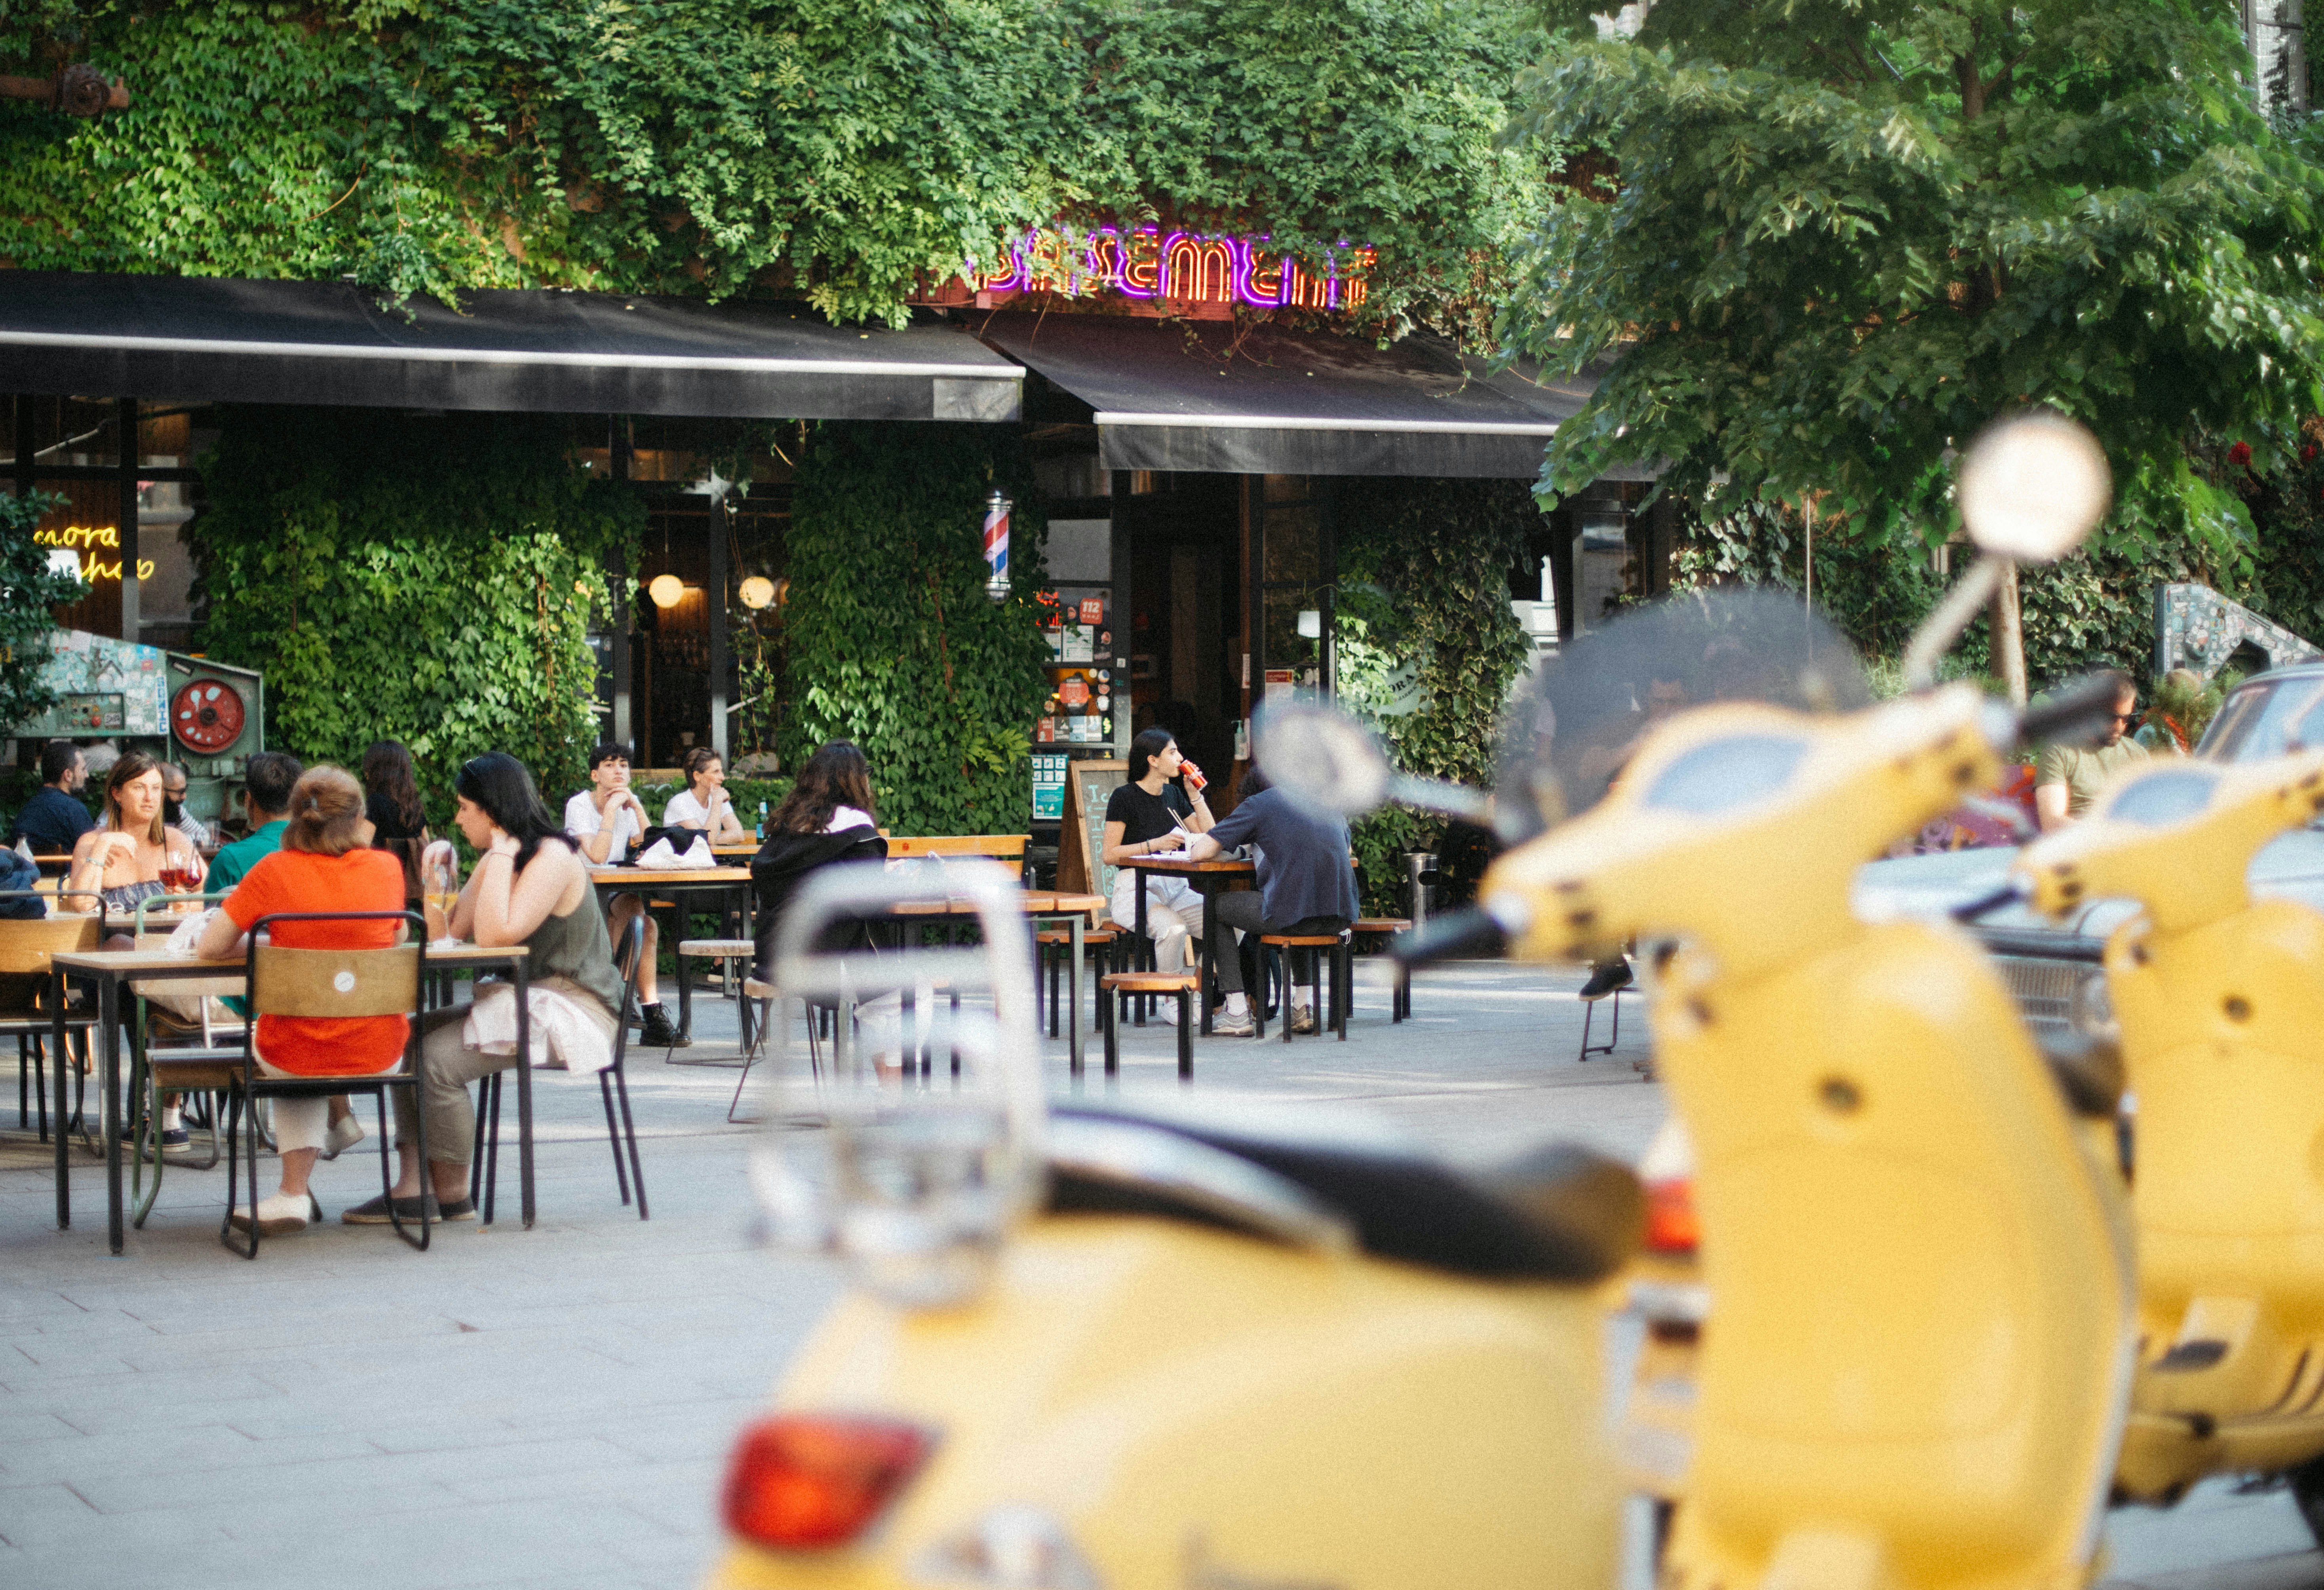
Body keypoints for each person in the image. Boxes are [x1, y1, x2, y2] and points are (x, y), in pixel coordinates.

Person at [348, 752, 626, 1224]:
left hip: (577, 1009)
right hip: (530, 997)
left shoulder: (553, 856)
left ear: (492, 811)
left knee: (436, 1060)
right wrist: (439, 878)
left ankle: (453, 1194)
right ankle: (414, 1188)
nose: (457, 817)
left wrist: (499, 852)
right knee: (406, 1035)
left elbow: (498, 935)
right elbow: (446, 935)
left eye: (464, 807)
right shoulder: (501, 859)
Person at [193, 767, 411, 1236]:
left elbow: (210, 948)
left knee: (299, 1046)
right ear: (358, 818)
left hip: (291, 1051)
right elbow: (401, 937)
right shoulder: (386, 867)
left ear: (295, 815)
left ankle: (292, 1194)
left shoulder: (273, 870)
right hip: (379, 1051)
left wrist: (275, 948)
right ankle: (329, 1139)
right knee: (317, 1042)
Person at [1183, 764, 1358, 1037]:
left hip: (1292, 918)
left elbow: (1200, 852)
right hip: (1341, 917)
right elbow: (1347, 848)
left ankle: (1237, 1011)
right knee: (1299, 899)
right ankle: (1303, 1006)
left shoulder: (1259, 804)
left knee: (1216, 908)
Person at [566, 743, 677, 1048]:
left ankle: (644, 1009)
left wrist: (637, 808)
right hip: (581, 890)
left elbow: (654, 847)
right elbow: (598, 856)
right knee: (637, 923)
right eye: (610, 765)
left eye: (624, 765)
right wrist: (613, 810)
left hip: (612, 889)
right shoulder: (579, 805)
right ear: (595, 774)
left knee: (642, 919)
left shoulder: (630, 802)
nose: (619, 770)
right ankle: (619, 1001)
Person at [1101, 729, 1217, 1015]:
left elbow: (1212, 837)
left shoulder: (1175, 793)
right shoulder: (1124, 797)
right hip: (1136, 889)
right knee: (1173, 928)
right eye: (1173, 752)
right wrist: (1154, 845)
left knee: (1229, 923)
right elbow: (1109, 854)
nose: (1180, 758)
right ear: (1153, 760)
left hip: (1175, 887)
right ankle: (1172, 999)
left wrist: (1196, 796)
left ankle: (1198, 989)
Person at [750, 741, 888, 978]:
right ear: (854, 780)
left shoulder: (788, 824)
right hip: (825, 963)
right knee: (912, 985)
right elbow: (871, 894)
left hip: (772, 959)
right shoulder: (856, 827)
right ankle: (871, 1013)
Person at [64, 751, 204, 928]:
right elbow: (81, 904)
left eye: (156, 788)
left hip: (167, 943)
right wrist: (102, 846)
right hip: (114, 946)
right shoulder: (92, 842)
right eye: (139, 788)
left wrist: (187, 906)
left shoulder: (175, 839)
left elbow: (210, 895)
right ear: (117, 794)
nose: (149, 797)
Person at [2036, 670, 2153, 830]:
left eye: (2127, 718)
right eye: (2111, 718)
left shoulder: (2136, 754)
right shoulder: (2060, 751)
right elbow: (2052, 824)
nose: (2120, 727)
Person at [205, 751, 304, 893]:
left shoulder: (229, 860)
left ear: (248, 801)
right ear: (298, 801)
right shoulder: (324, 850)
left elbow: (211, 914)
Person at [360, 740, 429, 895]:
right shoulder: (414, 806)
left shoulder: (375, 803)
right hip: (412, 891)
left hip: (380, 887)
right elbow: (427, 846)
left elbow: (361, 847)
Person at [12, 739, 93, 854]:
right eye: (83, 769)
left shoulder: (27, 810)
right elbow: (94, 853)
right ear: (68, 775)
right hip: (67, 872)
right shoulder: (73, 810)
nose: (87, 775)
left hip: (28, 871)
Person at [664, 746, 747, 845]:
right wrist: (717, 803)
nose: (722, 778)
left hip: (713, 860)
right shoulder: (679, 803)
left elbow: (738, 834)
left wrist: (715, 840)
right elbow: (706, 840)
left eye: (721, 771)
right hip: (684, 860)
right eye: (716, 772)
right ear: (697, 776)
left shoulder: (717, 797)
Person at [158, 764, 211, 849]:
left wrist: (176, 839)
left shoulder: (177, 810)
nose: (184, 797)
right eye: (181, 792)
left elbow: (204, 836)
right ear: (161, 790)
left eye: (185, 790)